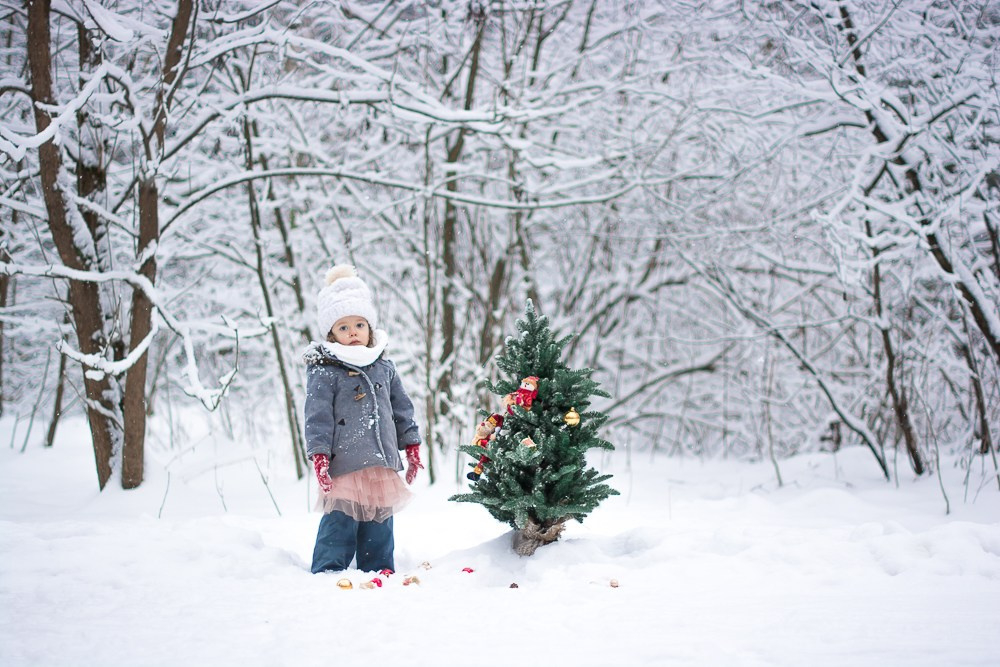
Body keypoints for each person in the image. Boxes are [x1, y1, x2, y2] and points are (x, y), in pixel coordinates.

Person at [303, 264, 423, 574]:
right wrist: (319, 455)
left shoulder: (383, 366)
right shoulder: (326, 370)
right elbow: (317, 416)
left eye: (359, 324)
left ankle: (378, 567)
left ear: (369, 328)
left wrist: (410, 444)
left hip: (380, 461)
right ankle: (329, 568)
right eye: (344, 327)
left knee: (380, 520)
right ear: (332, 334)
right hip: (343, 462)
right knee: (340, 519)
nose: (353, 332)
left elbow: (402, 408)